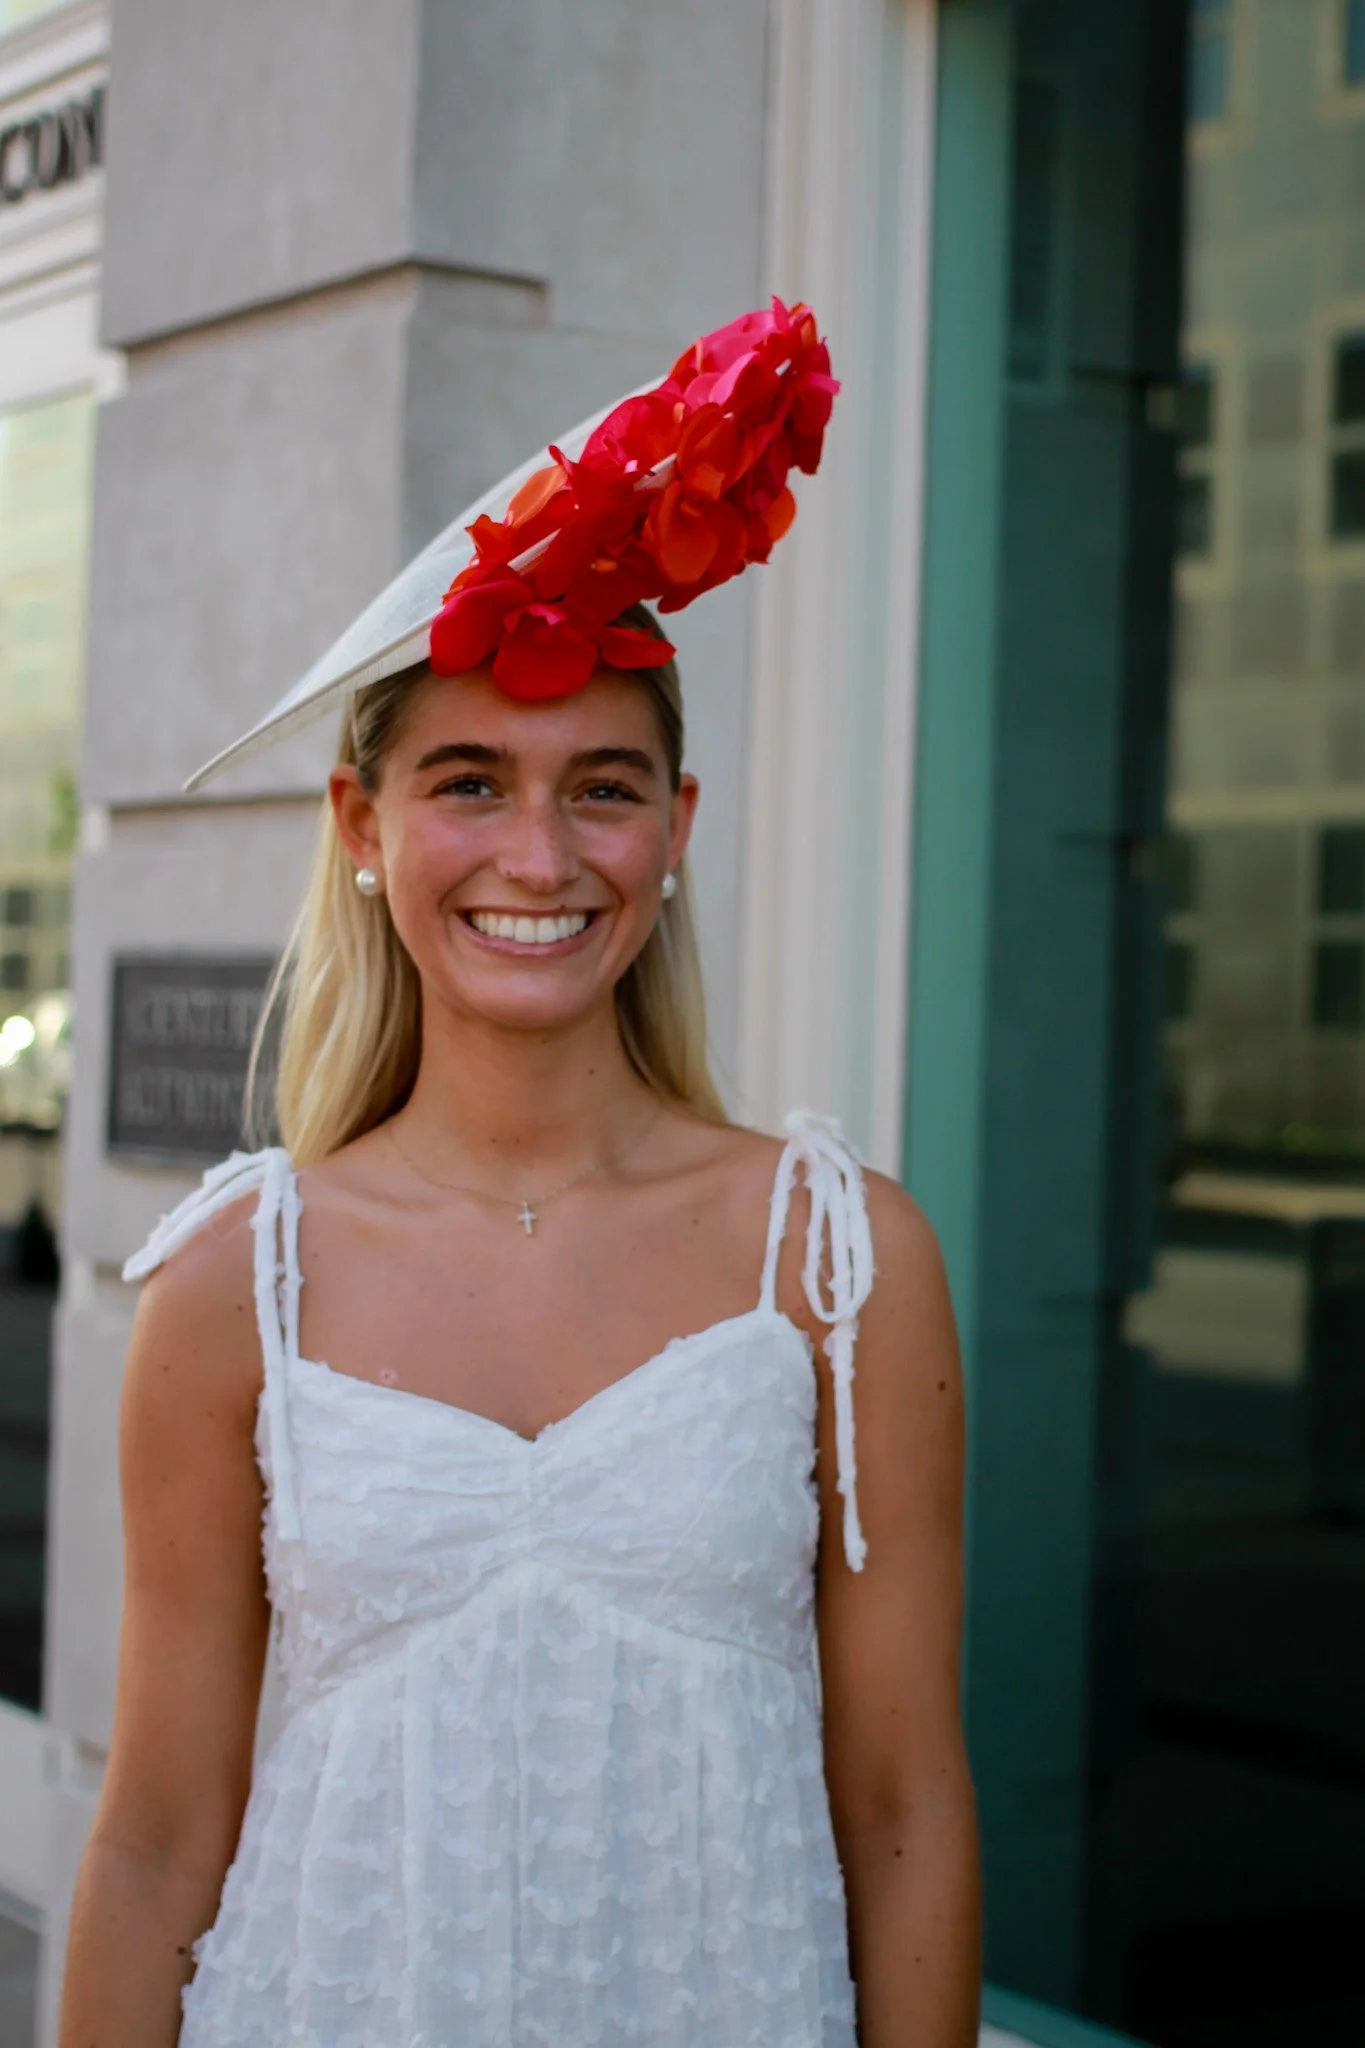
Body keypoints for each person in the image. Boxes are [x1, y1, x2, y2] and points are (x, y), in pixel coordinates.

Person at [59, 305, 980, 2047]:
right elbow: (160, 1845)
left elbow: (907, 1813)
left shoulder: (842, 1263)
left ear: (679, 827)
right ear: (363, 828)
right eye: (468, 783)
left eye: (602, 789)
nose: (539, 858)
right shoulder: (233, 1282)